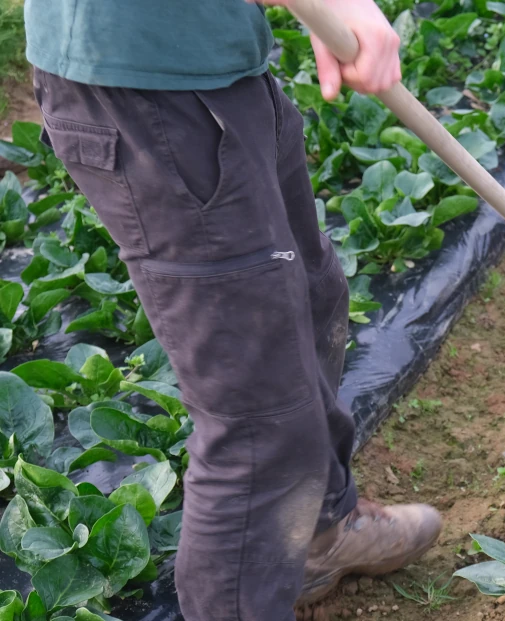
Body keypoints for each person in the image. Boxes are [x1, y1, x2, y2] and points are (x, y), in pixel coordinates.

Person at [22, 1, 442, 619]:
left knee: (313, 297)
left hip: (218, 64)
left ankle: (316, 536)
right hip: (148, 88)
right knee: (259, 421)